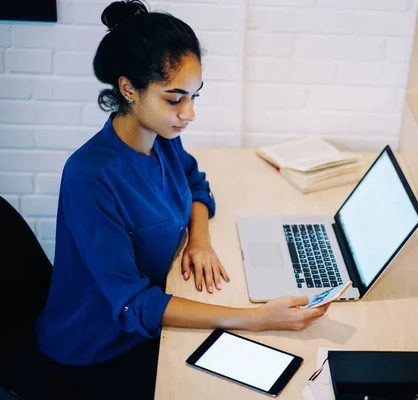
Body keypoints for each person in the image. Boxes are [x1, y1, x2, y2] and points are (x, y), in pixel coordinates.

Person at [27, 1, 329, 399]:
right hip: (99, 350)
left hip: (151, 319)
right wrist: (254, 319)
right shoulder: (90, 176)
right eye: (174, 99)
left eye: (194, 96)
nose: (189, 113)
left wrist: (199, 241)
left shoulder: (163, 138)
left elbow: (196, 182)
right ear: (128, 89)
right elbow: (134, 304)